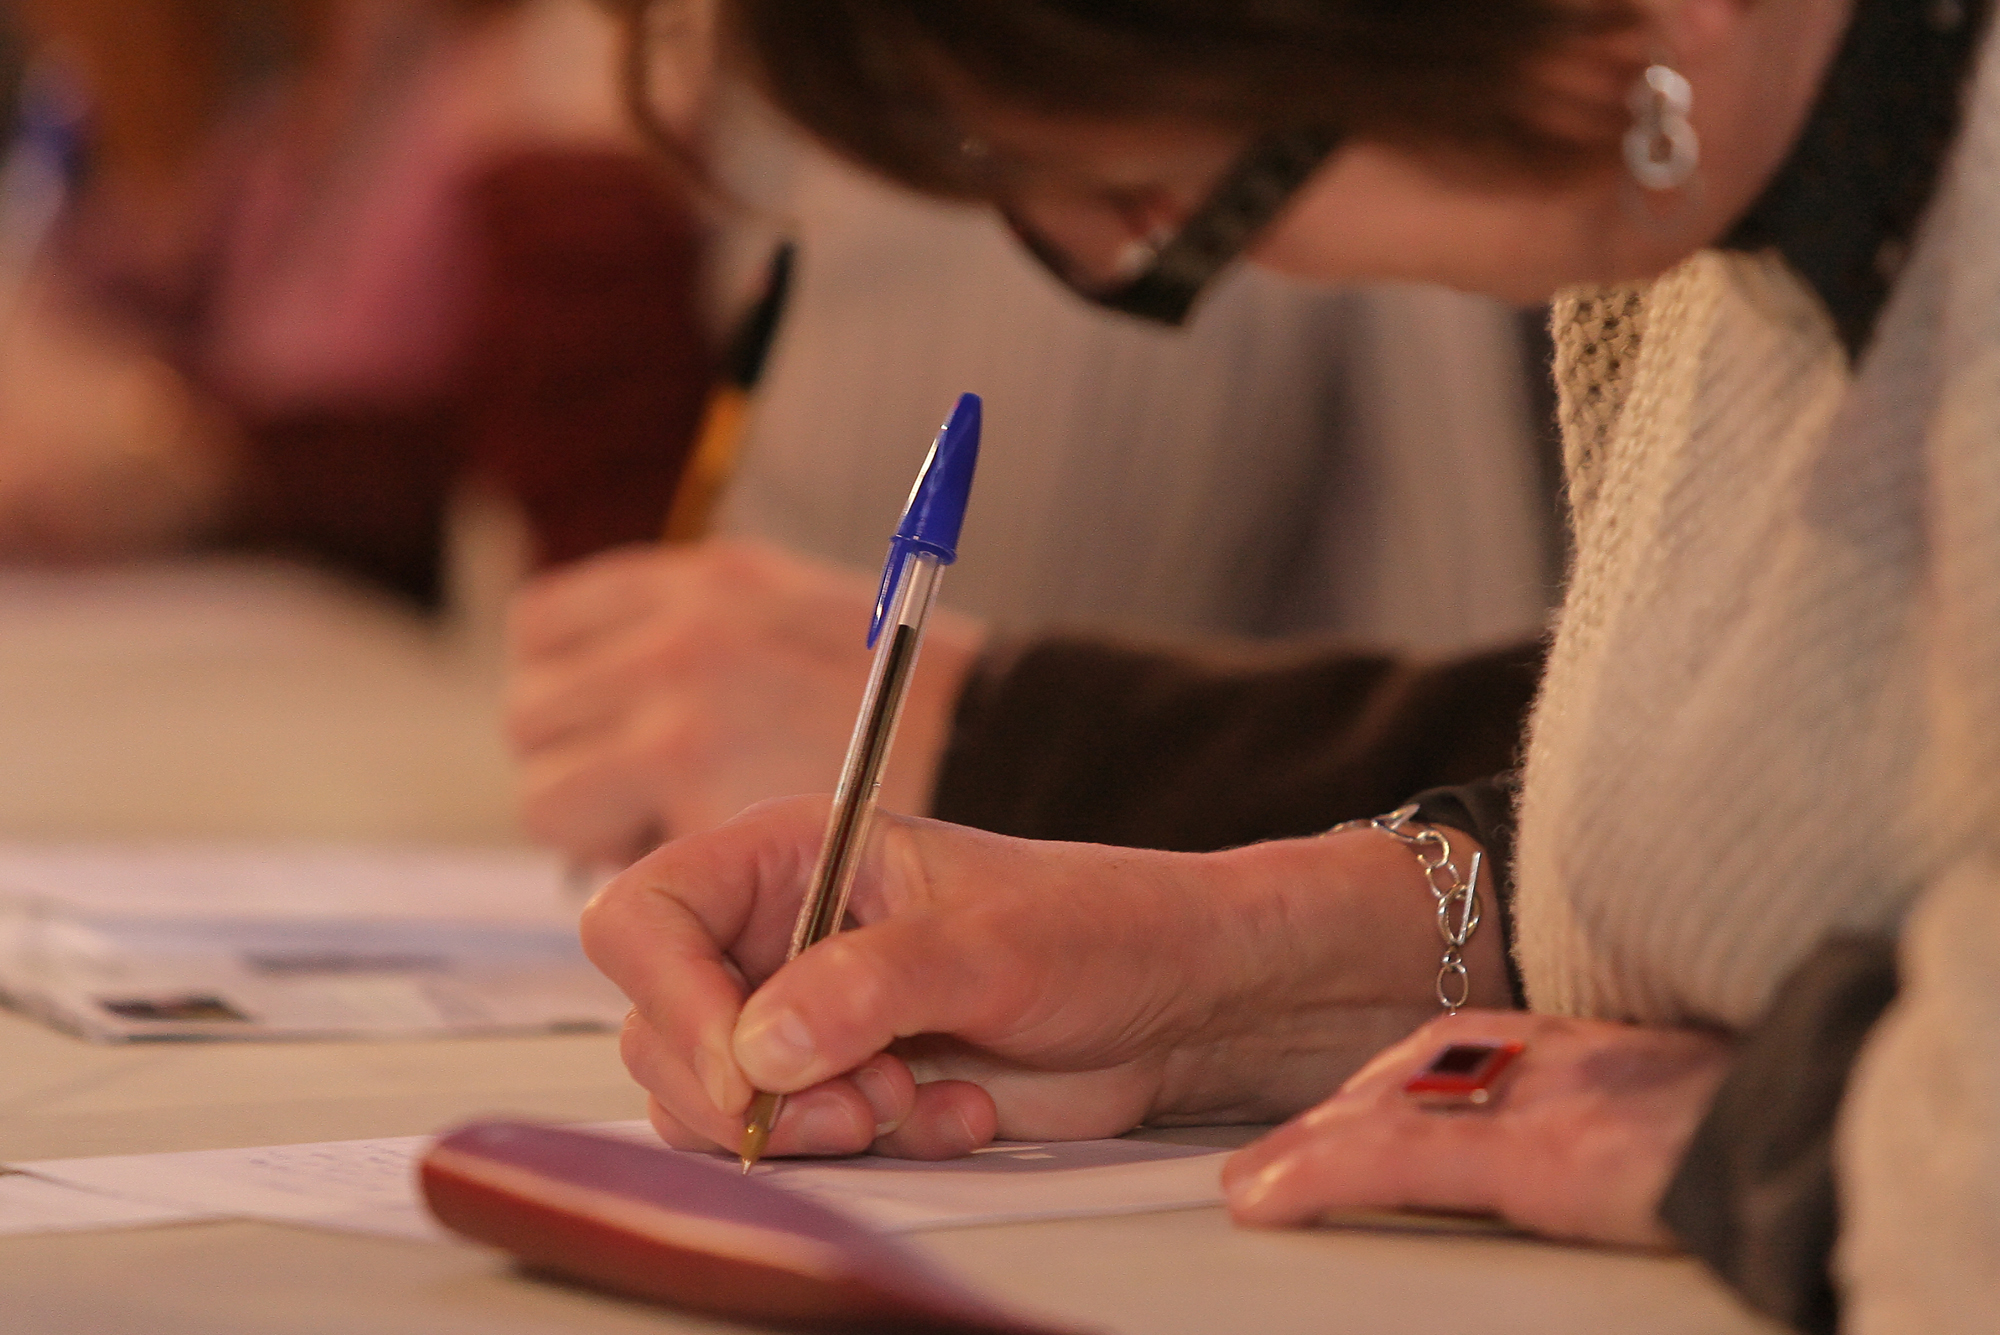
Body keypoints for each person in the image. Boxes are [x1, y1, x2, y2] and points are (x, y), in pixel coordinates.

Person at [578, 0, 1995, 1329]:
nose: (1228, 273)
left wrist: (1802, 1132)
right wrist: (1246, 969)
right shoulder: (1710, 176)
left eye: (1166, 204)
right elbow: (1841, 814)